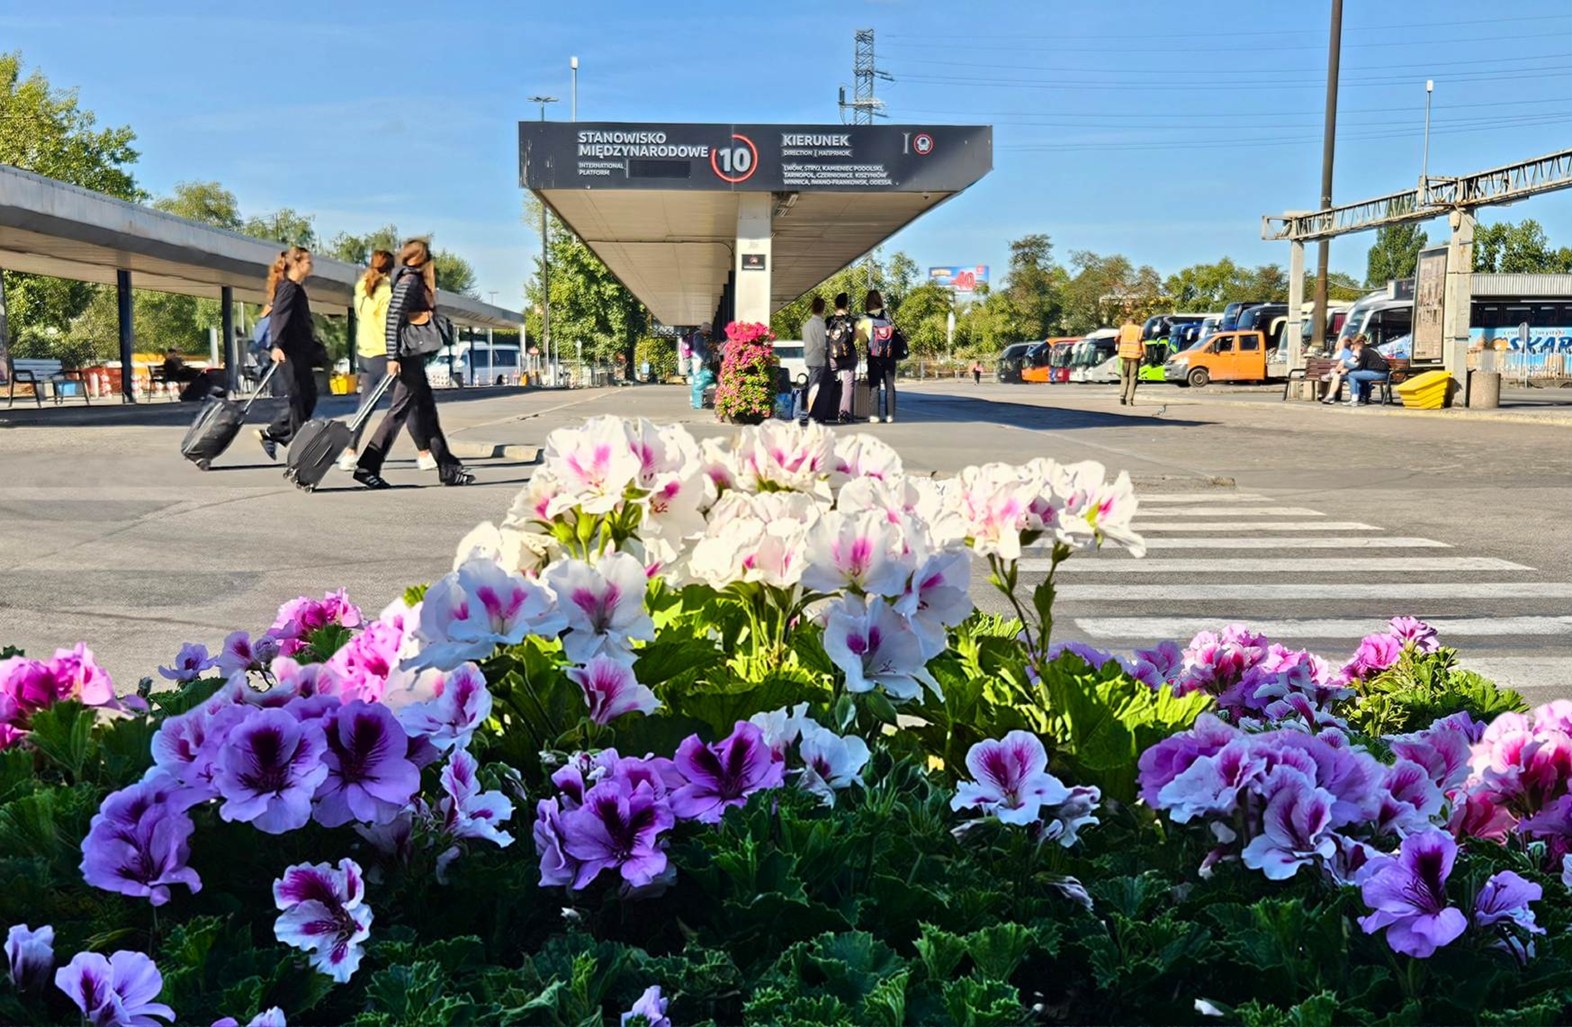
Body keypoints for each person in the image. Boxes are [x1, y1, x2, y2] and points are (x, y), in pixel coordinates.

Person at [354, 239, 474, 489]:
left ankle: (448, 468)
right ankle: (368, 466)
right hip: (407, 358)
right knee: (398, 413)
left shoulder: (405, 279)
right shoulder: (409, 281)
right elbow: (393, 319)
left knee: (427, 414)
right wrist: (392, 357)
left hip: (410, 358)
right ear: (421, 260)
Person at [338, 250, 436, 472]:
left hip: (365, 353)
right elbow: (392, 323)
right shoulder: (387, 291)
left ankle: (349, 452)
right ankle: (424, 453)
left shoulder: (361, 286)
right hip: (384, 354)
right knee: (405, 404)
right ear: (392, 269)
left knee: (366, 405)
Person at [256, 247, 322, 459]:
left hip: (300, 351)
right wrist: (277, 345)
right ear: (297, 263)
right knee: (299, 398)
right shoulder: (288, 288)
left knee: (308, 397)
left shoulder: (296, 289)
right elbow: (279, 317)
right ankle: (279, 436)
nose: (311, 265)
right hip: (289, 352)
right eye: (308, 262)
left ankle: (274, 434)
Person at [857, 289, 901, 424]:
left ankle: (874, 415)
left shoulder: (865, 319)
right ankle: (890, 416)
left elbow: (861, 339)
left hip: (874, 356)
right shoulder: (887, 316)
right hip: (889, 355)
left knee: (874, 386)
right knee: (889, 385)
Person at [828, 292, 858, 424]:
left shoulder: (829, 320)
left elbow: (826, 338)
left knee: (825, 383)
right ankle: (844, 414)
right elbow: (855, 338)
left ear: (835, 304)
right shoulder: (852, 320)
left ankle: (820, 412)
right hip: (849, 355)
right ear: (846, 304)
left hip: (833, 356)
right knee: (848, 385)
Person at [800, 296, 829, 425]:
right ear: (822, 309)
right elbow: (822, 344)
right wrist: (826, 353)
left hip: (809, 357)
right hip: (818, 359)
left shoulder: (806, 325)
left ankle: (810, 412)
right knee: (816, 387)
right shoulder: (820, 324)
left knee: (812, 385)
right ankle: (813, 414)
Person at [1344, 335, 1390, 407]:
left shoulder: (1364, 351)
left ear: (1360, 343)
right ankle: (1357, 399)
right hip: (1382, 373)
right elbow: (1362, 367)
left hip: (1379, 373)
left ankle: (1354, 399)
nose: (1353, 346)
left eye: (1354, 344)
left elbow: (1360, 367)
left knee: (1351, 374)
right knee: (1356, 376)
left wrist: (1347, 370)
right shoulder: (1368, 350)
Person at [1319, 337, 1359, 404]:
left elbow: (1353, 364)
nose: (1337, 345)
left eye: (1340, 343)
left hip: (1350, 373)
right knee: (1336, 375)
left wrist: (1345, 369)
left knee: (1336, 374)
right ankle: (1330, 396)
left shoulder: (1351, 352)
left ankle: (1327, 395)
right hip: (1344, 372)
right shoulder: (1346, 352)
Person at [1116, 314, 1143, 406]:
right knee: (1133, 378)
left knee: (1124, 376)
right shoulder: (1139, 329)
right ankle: (1129, 399)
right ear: (1134, 322)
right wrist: (1145, 355)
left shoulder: (1123, 328)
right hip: (1135, 356)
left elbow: (1116, 339)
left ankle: (1122, 396)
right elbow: (1141, 341)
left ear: (1127, 322)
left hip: (1124, 355)